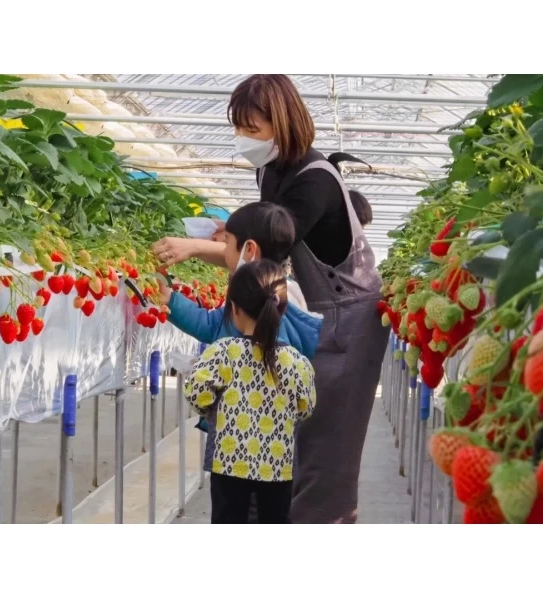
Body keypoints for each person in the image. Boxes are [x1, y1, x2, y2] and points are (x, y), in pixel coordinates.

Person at [154, 74, 390, 524]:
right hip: (308, 313)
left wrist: (197, 248)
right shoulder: (270, 169)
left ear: (282, 122)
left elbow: (266, 251)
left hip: (348, 319)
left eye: (253, 128)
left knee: (327, 455)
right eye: (239, 128)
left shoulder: (315, 181)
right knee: (291, 441)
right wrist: (231, 232)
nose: (244, 139)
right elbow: (260, 243)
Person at [155, 201, 322, 482]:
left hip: (229, 449)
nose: (224, 254)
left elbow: (202, 386)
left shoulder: (257, 301)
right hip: (277, 454)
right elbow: (213, 325)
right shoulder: (284, 294)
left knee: (232, 512)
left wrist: (214, 401)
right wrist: (169, 299)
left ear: (249, 250)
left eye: (228, 244)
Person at [183, 260, 316, 523]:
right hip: (278, 466)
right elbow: (306, 407)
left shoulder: (223, 352)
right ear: (283, 309)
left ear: (233, 309)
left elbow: (195, 392)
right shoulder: (296, 361)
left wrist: (214, 410)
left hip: (229, 465)